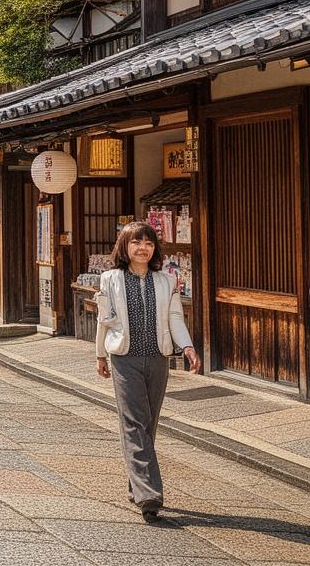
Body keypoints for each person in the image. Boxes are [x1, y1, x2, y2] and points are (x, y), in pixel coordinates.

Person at [95, 221, 200, 519]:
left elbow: (175, 318)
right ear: (125, 247)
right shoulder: (110, 279)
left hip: (157, 357)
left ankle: (135, 485)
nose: (142, 248)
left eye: (148, 243)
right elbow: (105, 320)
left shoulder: (166, 280)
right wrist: (100, 354)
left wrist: (187, 347)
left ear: (155, 249)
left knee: (148, 422)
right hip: (124, 358)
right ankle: (149, 494)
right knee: (135, 422)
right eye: (136, 242)